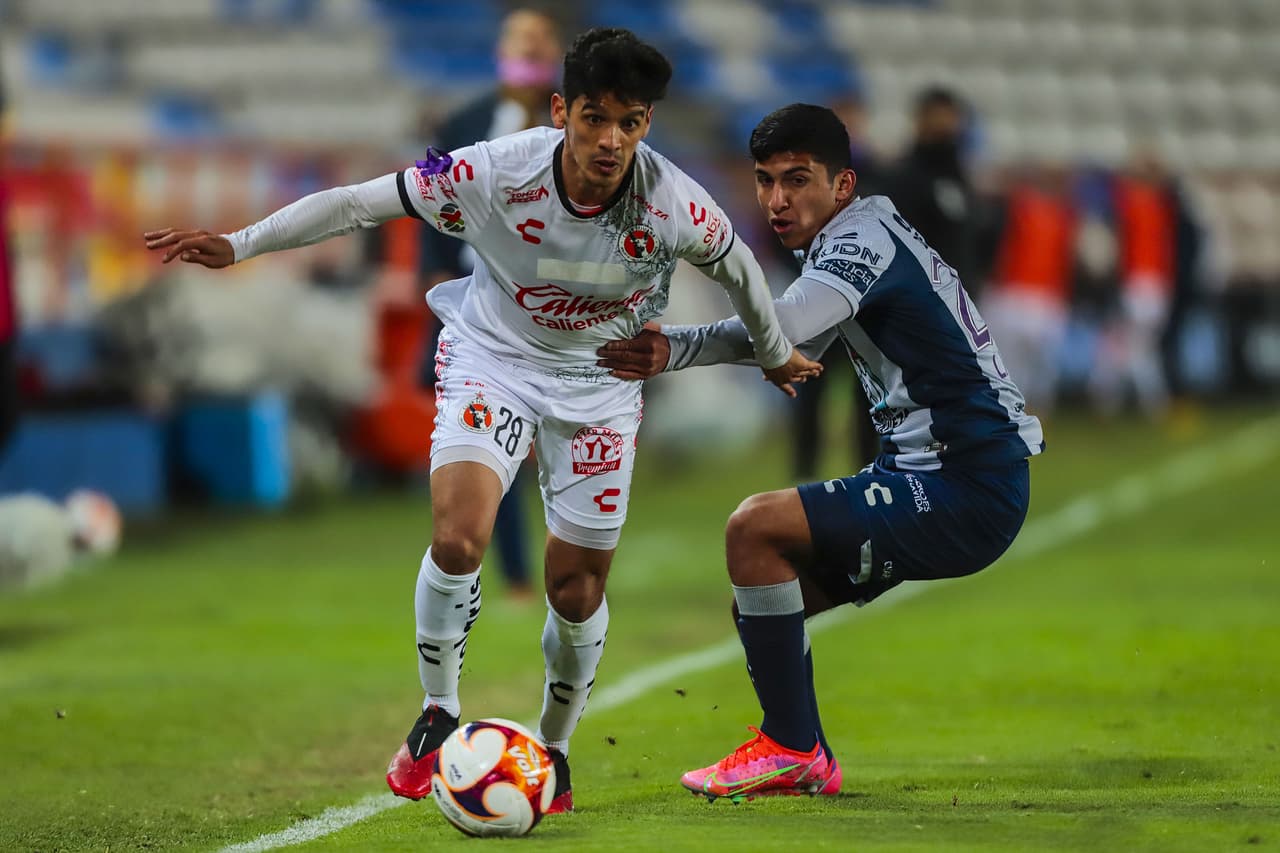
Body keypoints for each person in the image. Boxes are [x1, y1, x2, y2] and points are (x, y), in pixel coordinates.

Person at [143, 28, 818, 814]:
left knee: (575, 588)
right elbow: (362, 203)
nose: (609, 140)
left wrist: (774, 354)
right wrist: (240, 242)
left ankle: (556, 750)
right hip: (492, 358)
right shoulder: (492, 170)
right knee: (458, 536)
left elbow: (739, 268)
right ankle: (438, 711)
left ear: (646, 126)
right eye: (594, 117)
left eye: (629, 122)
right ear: (561, 109)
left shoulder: (673, 202)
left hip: (600, 386)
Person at [597, 104, 1044, 801]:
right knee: (765, 591)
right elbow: (799, 343)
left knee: (754, 527)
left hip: (965, 480)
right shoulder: (857, 233)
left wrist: (672, 347)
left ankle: (791, 747)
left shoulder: (859, 241)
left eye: (797, 180)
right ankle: (804, 753)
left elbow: (789, 326)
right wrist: (753, 352)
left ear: (842, 185)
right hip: (941, 472)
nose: (778, 200)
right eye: (766, 181)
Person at [416, 7, 565, 600]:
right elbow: (427, 194)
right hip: (481, 307)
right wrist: (430, 274)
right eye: (517, 43)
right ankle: (515, 572)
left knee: (557, 440)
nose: (527, 53)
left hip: (555, 306)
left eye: (537, 44)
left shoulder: (574, 126)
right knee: (489, 436)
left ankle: (566, 561)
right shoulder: (462, 123)